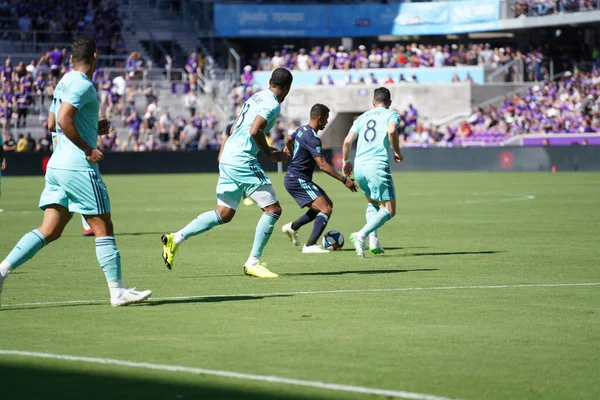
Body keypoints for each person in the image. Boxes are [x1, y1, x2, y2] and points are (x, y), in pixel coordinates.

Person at [0, 36, 151, 307]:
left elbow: (50, 123)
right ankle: (117, 292)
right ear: (95, 57)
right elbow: (62, 120)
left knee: (50, 229)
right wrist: (87, 148)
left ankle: (2, 269)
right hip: (77, 167)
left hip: (57, 165)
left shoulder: (64, 81)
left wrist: (93, 126)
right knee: (103, 225)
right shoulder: (83, 85)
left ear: (71, 59)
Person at [161, 68, 293, 278]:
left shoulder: (256, 97)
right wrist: (269, 153)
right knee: (273, 210)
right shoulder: (272, 104)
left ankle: (176, 238)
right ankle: (253, 262)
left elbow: (233, 129)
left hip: (229, 156)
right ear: (287, 89)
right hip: (242, 160)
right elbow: (255, 130)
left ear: (270, 81)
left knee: (224, 213)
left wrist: (225, 151)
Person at [281, 104, 357, 253]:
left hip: (298, 178)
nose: (327, 122)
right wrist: (344, 180)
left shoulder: (302, 130)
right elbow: (322, 165)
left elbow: (289, 138)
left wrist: (289, 148)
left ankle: (292, 227)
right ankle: (309, 246)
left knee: (326, 204)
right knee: (325, 209)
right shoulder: (312, 138)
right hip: (297, 180)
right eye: (326, 119)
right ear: (319, 118)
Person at [342, 87, 403, 258]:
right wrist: (397, 151)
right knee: (390, 210)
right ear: (389, 103)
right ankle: (361, 235)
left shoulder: (362, 117)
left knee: (373, 203)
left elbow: (347, 142)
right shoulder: (391, 114)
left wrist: (346, 161)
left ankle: (374, 241)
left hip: (359, 165)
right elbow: (391, 131)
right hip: (376, 164)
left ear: (373, 102)